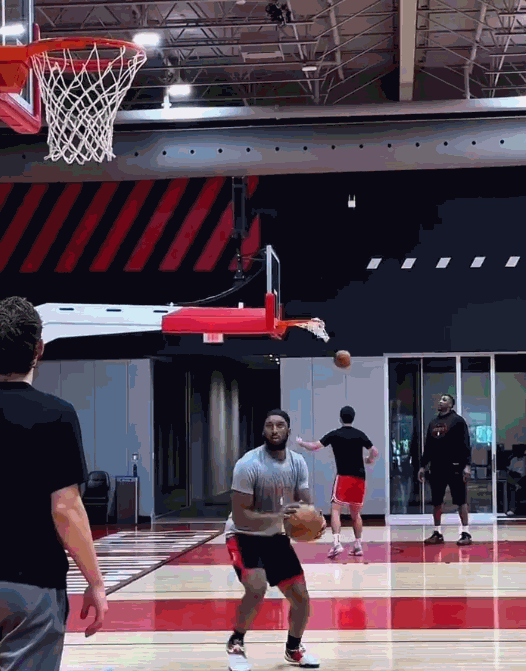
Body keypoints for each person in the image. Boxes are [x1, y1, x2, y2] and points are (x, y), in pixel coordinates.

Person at [0, 296, 109, 671]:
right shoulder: (56, 415)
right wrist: (95, 583)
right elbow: (65, 509)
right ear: (39, 350)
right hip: (33, 583)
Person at [224, 409, 326, 671]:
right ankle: (236, 643)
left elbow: (305, 502)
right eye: (269, 425)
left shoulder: (297, 463)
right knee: (256, 587)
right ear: (263, 431)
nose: (274, 430)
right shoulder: (248, 465)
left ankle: (293, 648)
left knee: (301, 598)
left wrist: (315, 519)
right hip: (242, 534)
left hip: (274, 535)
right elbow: (241, 516)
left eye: (280, 425)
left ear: (288, 431)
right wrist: (279, 516)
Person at [296, 406, 378, 559]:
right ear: (353, 418)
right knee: (356, 514)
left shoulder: (335, 434)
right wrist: (369, 459)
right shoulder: (360, 434)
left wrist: (301, 443)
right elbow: (374, 451)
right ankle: (358, 545)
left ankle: (336, 544)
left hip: (344, 477)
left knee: (335, 510)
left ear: (340, 418)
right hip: (360, 478)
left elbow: (314, 446)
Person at [418, 393, 472, 546]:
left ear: (450, 404)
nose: (440, 401)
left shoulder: (458, 421)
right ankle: (437, 533)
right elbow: (428, 447)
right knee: (436, 501)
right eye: (440, 399)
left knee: (461, 501)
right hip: (437, 467)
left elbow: (466, 444)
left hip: (455, 466)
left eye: (444, 400)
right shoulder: (433, 423)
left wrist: (467, 465)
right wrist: (422, 466)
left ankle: (466, 533)